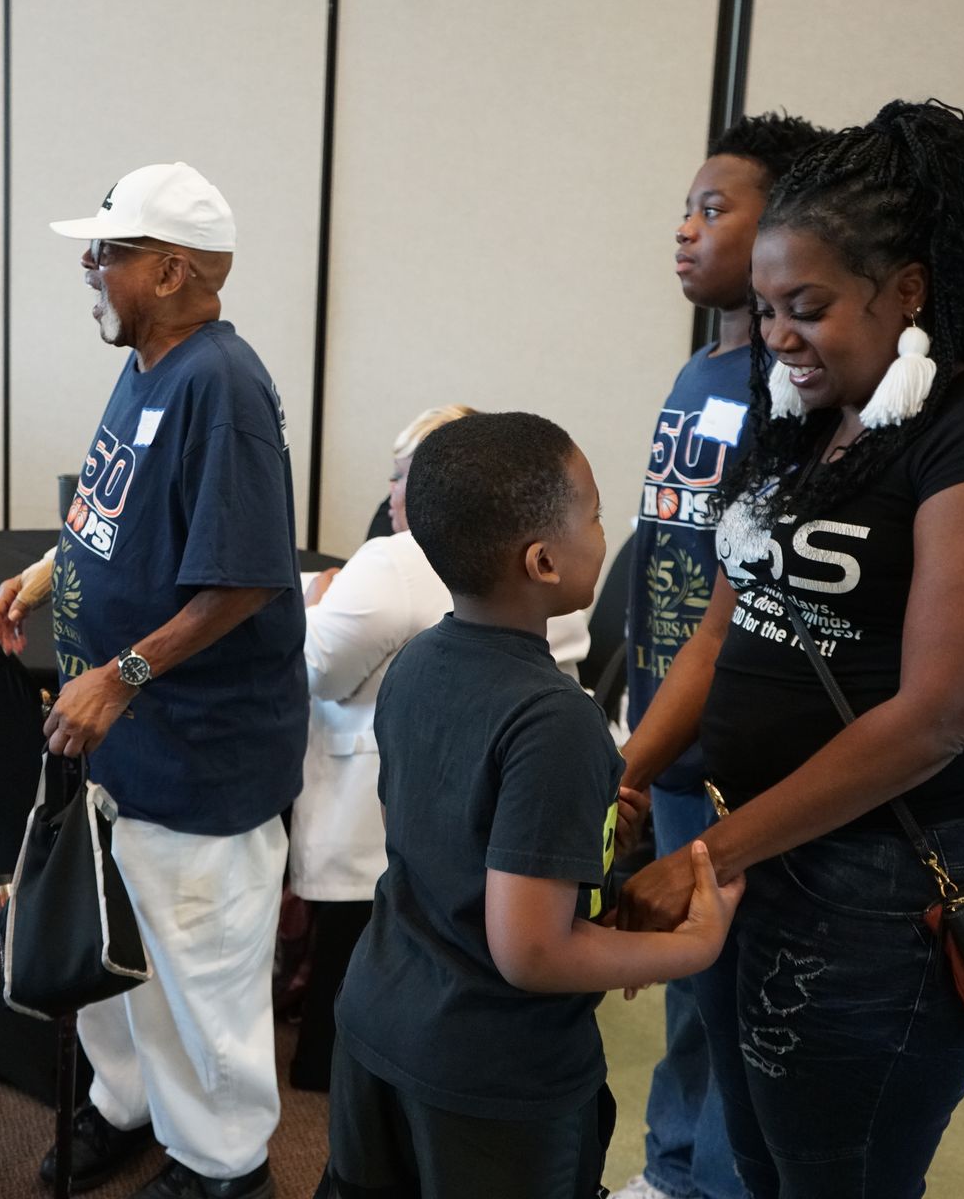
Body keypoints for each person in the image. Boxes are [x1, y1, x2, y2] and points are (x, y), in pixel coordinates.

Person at [617, 100, 964, 1198]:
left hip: (881, 876)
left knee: (837, 1171)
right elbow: (722, 632)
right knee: (760, 1157)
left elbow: (938, 716)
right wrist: (626, 778)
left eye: (806, 307)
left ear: (905, 289)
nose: (777, 336)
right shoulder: (801, 419)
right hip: (762, 840)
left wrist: (710, 857)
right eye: (767, 308)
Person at [319, 412, 742, 1199]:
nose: (604, 531)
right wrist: (692, 949)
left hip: (379, 1014)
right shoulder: (555, 719)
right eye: (595, 515)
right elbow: (533, 952)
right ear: (544, 561)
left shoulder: (415, 662)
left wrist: (586, 821)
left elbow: (459, 826)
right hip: (490, 1074)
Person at [0, 162, 305, 1199]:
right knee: (121, 947)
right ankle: (128, 1105)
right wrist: (48, 569)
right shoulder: (149, 366)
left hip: (200, 753)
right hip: (127, 748)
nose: (89, 266)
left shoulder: (224, 385)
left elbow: (249, 578)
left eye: (110, 250)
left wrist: (121, 673)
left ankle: (223, 1167)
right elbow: (120, 516)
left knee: (197, 972)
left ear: (171, 270)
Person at [615, 111, 826, 1199]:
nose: (686, 231)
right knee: (690, 983)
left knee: (740, 989)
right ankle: (669, 1171)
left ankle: (713, 1180)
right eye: (685, 208)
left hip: (739, 741)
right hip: (665, 717)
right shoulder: (703, 365)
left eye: (714, 208)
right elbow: (659, 560)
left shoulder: (792, 387)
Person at [288, 402, 592, 1091]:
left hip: (383, 830)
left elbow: (317, 666)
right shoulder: (545, 654)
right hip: (484, 851)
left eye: (406, 475)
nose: (393, 494)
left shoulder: (397, 567)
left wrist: (688, 948)